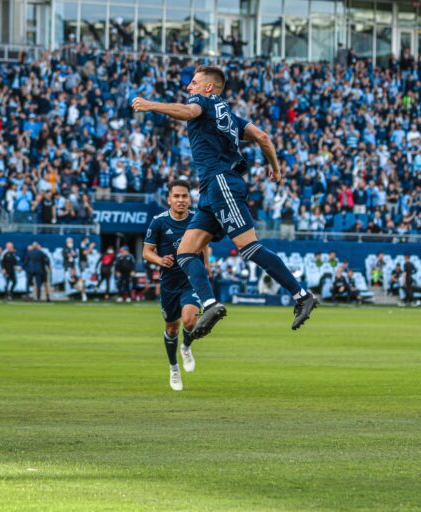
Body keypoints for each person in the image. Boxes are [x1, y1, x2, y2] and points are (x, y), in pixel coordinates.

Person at [132, 65, 317, 340]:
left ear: (208, 88)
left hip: (220, 182)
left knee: (249, 247)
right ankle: (210, 303)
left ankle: (301, 294)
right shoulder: (230, 116)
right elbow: (263, 137)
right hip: (210, 190)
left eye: (193, 83)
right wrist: (275, 168)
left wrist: (151, 105)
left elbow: (189, 111)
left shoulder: (201, 102)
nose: (188, 88)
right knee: (185, 251)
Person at [143, 180, 204, 391]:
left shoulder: (198, 219)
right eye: (176, 196)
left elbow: (204, 245)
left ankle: (186, 347)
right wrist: (160, 261)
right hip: (169, 283)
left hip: (190, 280)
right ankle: (174, 367)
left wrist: (205, 268)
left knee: (189, 321)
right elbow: (147, 251)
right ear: (169, 199)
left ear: (190, 198)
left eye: (184, 196)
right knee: (171, 327)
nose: (180, 200)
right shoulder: (158, 222)